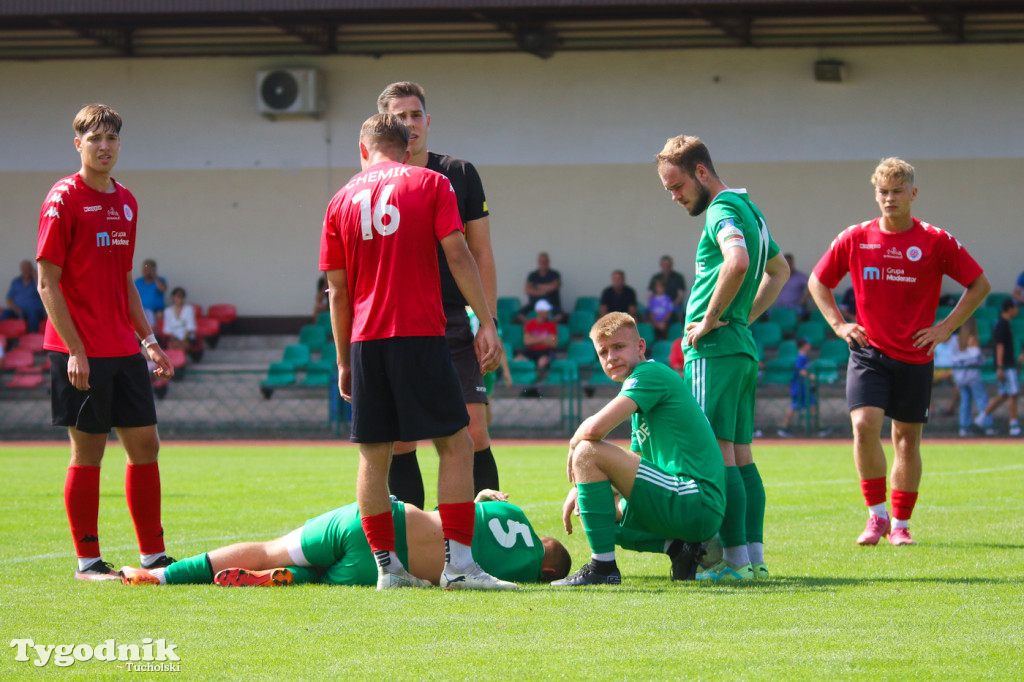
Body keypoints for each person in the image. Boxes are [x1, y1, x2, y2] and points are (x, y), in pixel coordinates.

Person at [319, 113, 512, 591]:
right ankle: (461, 568)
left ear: (363, 150)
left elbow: (336, 292)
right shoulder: (432, 182)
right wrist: (485, 321)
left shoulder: (340, 200)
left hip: (366, 341)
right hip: (420, 334)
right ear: (406, 149)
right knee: (456, 443)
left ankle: (389, 570)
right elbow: (459, 253)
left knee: (373, 456)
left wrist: (343, 359)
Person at [808, 157, 990, 546]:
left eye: (897, 191)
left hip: (916, 355)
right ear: (876, 194)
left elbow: (979, 285)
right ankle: (876, 517)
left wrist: (945, 328)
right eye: (883, 192)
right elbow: (817, 281)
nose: (889, 199)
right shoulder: (856, 237)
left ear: (913, 194)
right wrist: (840, 325)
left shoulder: (936, 241)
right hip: (868, 351)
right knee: (863, 425)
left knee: (906, 438)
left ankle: (901, 525)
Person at [36, 103, 176, 581]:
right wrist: (75, 349)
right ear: (78, 145)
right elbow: (47, 283)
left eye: (111, 139)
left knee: (146, 446)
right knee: (88, 452)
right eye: (94, 139)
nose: (104, 147)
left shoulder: (127, 201)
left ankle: (154, 556)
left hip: (122, 347)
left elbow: (124, 280)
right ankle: (87, 562)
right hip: (80, 351)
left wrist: (149, 340)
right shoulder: (63, 199)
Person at [656, 134, 790, 581]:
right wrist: (740, 318)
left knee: (718, 456)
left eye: (677, 187)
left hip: (714, 351)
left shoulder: (721, 210)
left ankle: (732, 563)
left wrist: (713, 319)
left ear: (701, 172)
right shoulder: (751, 209)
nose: (675, 197)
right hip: (740, 348)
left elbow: (736, 263)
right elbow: (779, 271)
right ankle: (752, 559)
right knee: (742, 455)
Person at [377, 81, 503, 507]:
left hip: (453, 316)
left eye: (415, 115)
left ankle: (484, 543)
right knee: (400, 439)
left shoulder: (460, 173)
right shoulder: (372, 182)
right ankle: (411, 545)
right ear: (384, 124)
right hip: (396, 319)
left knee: (474, 430)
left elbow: (480, 252)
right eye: (400, 116)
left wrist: (489, 322)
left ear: (428, 121)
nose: (409, 124)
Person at [553, 313, 725, 586]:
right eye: (603, 352)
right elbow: (637, 460)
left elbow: (594, 430)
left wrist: (575, 446)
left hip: (696, 499)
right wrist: (581, 490)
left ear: (640, 347)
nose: (611, 357)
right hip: (687, 503)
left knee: (587, 450)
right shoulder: (641, 394)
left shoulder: (650, 374)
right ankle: (679, 549)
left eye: (619, 347)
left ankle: (602, 568)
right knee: (592, 505)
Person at [118, 489, 571, 587]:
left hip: (380, 523)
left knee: (269, 547)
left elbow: (463, 508)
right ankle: (286, 578)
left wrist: (483, 495)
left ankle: (160, 577)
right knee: (317, 576)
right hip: (384, 571)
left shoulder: (510, 512)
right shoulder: (531, 576)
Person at [975, 298, 1022, 436]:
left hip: (1007, 365)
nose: (1017, 309)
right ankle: (1013, 424)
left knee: (1003, 395)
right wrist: (1000, 367)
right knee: (1013, 394)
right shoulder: (1003, 324)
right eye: (1015, 307)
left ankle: (981, 417)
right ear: (1010, 308)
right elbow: (1000, 346)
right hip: (1006, 366)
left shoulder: (1003, 323)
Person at [950, 317, 993, 437]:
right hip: (972, 376)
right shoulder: (971, 338)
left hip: (961, 376)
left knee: (965, 402)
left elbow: (956, 358)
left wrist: (964, 360)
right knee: (981, 400)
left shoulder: (956, 339)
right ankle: (986, 426)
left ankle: (964, 427)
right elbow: (975, 357)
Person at [777, 338, 815, 437]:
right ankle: (784, 427)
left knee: (812, 405)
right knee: (794, 407)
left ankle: (814, 428)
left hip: (804, 387)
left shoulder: (805, 357)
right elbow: (800, 371)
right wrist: (810, 376)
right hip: (799, 387)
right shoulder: (800, 357)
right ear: (804, 345)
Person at [516, 251, 566, 324]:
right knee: (519, 315)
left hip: (552, 303)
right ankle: (532, 327)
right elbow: (528, 290)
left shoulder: (555, 274)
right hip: (534, 304)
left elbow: (554, 286)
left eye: (545, 261)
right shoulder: (532, 275)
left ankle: (549, 327)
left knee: (560, 316)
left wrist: (537, 286)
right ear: (538, 262)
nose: (543, 263)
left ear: (548, 262)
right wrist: (545, 290)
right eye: (541, 261)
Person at [514, 299, 558, 375]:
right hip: (530, 351)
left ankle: (537, 381)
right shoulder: (530, 324)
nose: (548, 312)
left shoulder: (552, 324)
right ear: (539, 311)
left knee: (542, 362)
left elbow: (553, 343)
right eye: (545, 310)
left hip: (545, 351)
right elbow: (527, 342)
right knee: (517, 360)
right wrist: (545, 339)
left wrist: (534, 338)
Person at [3, 260, 47, 333]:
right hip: (18, 311)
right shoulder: (16, 282)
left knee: (33, 315)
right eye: (24, 269)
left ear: (32, 269)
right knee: (5, 313)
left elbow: (44, 292)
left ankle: (30, 337)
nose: (26, 271)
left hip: (34, 311)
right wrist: (16, 309)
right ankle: (5, 340)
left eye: (28, 269)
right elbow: (9, 298)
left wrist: (36, 277)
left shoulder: (37, 281)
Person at [771, 253, 810, 320]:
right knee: (769, 311)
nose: (788, 265)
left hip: (795, 305)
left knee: (799, 311)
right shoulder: (778, 276)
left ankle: (797, 330)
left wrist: (802, 299)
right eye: (786, 263)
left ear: (793, 263)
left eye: (790, 262)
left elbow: (812, 287)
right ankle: (774, 329)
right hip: (781, 305)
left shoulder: (800, 276)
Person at [162, 287, 196, 353]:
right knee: (171, 345)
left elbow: (190, 327)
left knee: (183, 345)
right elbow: (167, 329)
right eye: (178, 296)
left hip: (186, 337)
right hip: (173, 337)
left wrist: (183, 340)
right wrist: (174, 340)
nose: (180, 298)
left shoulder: (189, 309)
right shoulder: (167, 311)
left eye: (182, 296)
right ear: (173, 297)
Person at [133, 259, 167, 327]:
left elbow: (163, 289)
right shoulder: (138, 281)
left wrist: (154, 276)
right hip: (141, 310)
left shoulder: (160, 280)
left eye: (149, 268)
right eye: (145, 268)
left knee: (156, 316)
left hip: (156, 310)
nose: (146, 271)